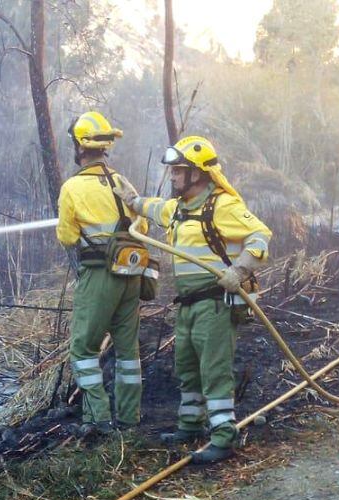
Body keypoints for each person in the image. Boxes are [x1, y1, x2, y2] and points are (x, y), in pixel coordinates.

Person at [117, 136, 272, 463]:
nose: (172, 176)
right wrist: (132, 200)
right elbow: (153, 208)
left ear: (198, 174)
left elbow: (260, 236)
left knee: (214, 370)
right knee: (186, 367)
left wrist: (240, 271)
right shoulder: (177, 209)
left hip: (215, 303)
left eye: (178, 171)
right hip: (187, 304)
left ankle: (223, 437)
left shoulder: (223, 206)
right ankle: (191, 424)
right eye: (172, 171)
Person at [55, 111, 145, 435]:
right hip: (131, 274)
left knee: (83, 348)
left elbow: (66, 237)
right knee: (127, 351)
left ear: (80, 147)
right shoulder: (123, 182)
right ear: (105, 146)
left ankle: (98, 418)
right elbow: (143, 225)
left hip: (98, 275)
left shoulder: (72, 188)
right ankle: (130, 418)